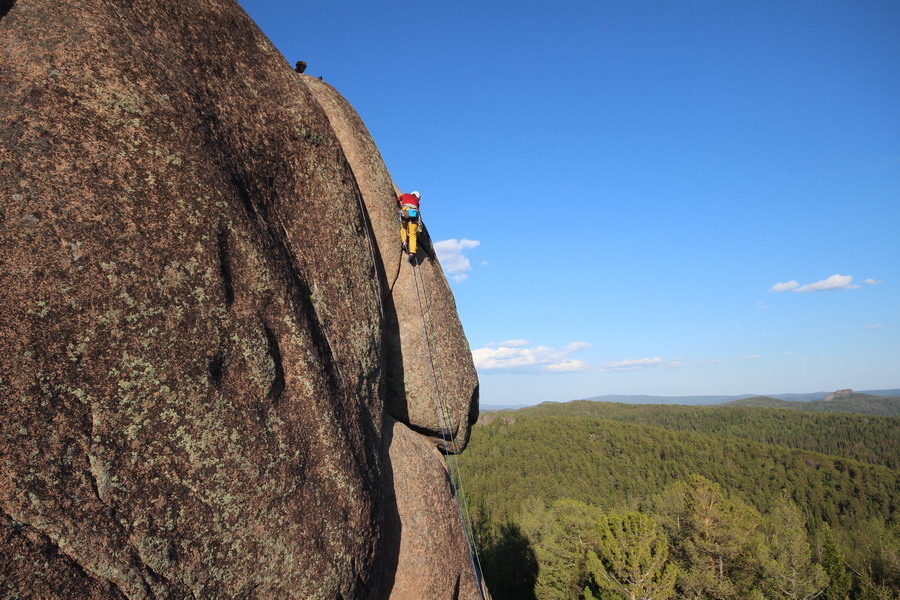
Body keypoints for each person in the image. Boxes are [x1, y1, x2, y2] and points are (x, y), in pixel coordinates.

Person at [397, 191, 421, 261]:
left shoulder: (406, 195)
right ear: (417, 197)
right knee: (412, 234)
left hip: (406, 211)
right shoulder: (417, 202)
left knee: (403, 227)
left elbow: (398, 199)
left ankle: (404, 242)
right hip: (414, 213)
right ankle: (412, 252)